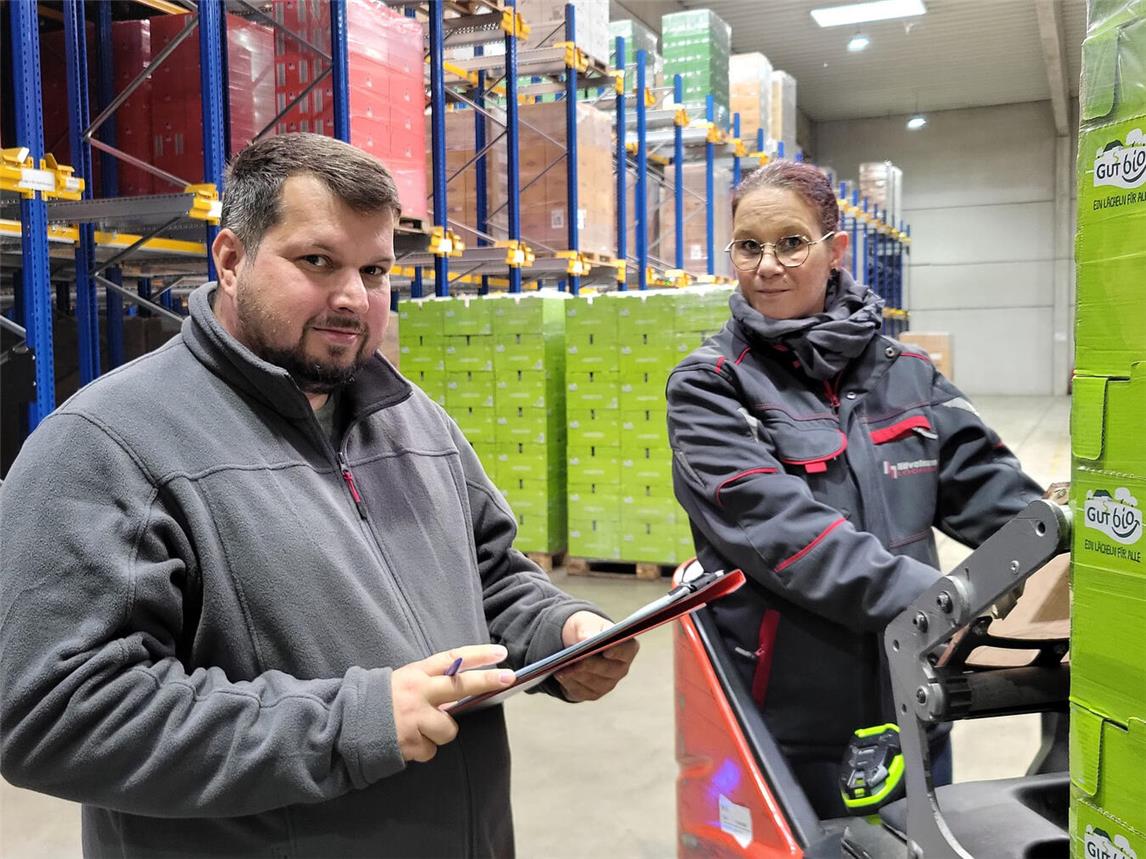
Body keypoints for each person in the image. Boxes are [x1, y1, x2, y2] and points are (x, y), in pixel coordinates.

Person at [0, 133, 637, 858]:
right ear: (232, 260)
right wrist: (348, 723)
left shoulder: (411, 419)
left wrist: (559, 633)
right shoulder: (108, 443)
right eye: (317, 262)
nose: (352, 298)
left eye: (374, 270)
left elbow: (490, 574)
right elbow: (55, 712)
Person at [665, 160, 1042, 818]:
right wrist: (937, 604)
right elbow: (787, 537)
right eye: (749, 247)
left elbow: (996, 498)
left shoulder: (907, 374)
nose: (768, 265)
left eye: (790, 242)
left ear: (835, 248)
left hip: (916, 700)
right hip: (796, 722)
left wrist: (1078, 556)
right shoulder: (711, 386)